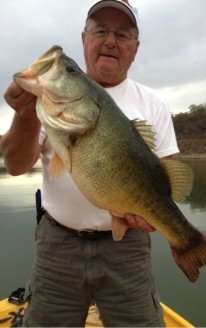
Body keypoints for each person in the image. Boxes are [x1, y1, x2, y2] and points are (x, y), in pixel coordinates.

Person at [0, 0, 179, 326]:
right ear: (84, 40)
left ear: (135, 48)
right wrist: (25, 113)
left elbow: (167, 181)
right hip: (57, 245)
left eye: (123, 34)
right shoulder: (49, 100)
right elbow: (14, 166)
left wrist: (162, 220)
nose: (111, 40)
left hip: (128, 249)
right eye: (100, 31)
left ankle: (187, 242)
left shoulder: (153, 103)